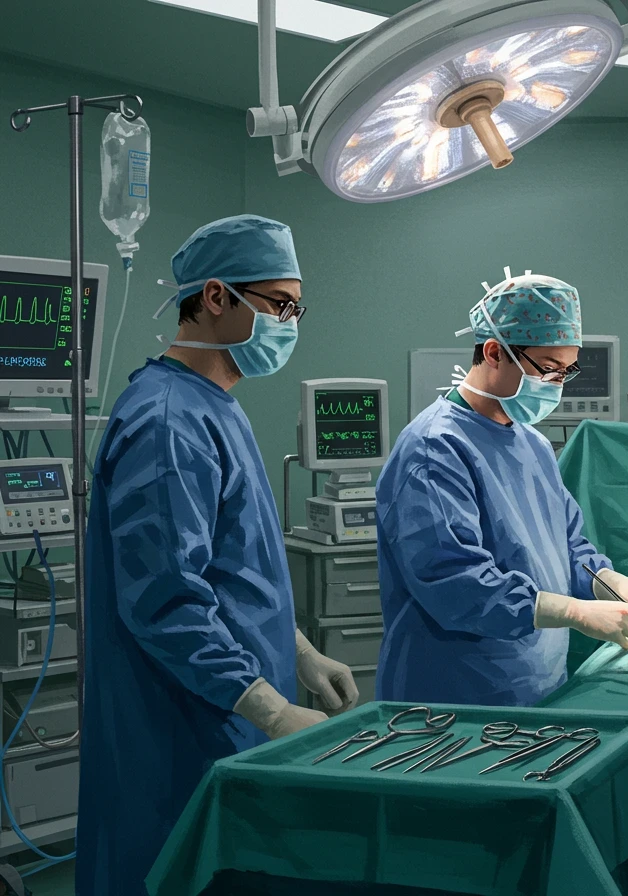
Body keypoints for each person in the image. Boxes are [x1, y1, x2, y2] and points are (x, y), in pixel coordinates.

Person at [76, 215, 359, 896]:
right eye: (279, 305)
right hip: (181, 731)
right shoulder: (168, 422)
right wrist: (268, 707)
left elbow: (236, 568)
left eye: (298, 307)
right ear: (214, 297)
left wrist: (295, 651)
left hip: (225, 713)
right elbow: (167, 602)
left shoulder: (215, 406)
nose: (292, 322)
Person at [376, 270, 628, 706]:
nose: (556, 384)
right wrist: (575, 613)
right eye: (549, 369)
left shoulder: (532, 444)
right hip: (453, 697)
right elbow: (457, 585)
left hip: (538, 687)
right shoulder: (433, 449)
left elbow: (568, 547)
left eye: (566, 371)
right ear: (494, 352)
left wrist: (614, 584)